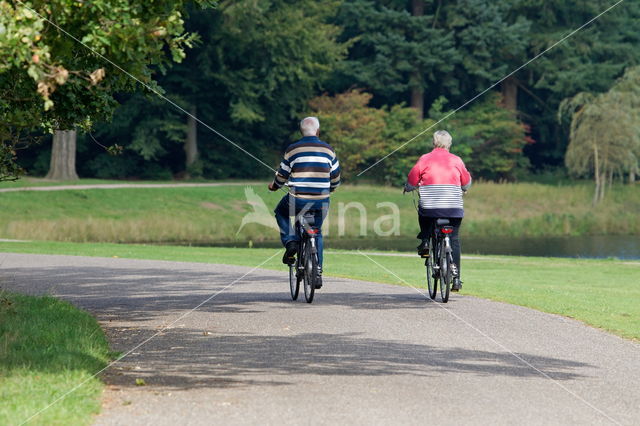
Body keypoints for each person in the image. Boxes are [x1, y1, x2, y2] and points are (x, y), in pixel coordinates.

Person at [268, 116, 340, 288]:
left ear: (301, 131)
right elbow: (336, 178)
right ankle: (318, 272)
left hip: (297, 200)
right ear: (318, 130)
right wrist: (329, 189)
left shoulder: (293, 149)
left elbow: (282, 176)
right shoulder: (329, 150)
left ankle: (290, 241)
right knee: (317, 232)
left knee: (281, 212)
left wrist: (274, 186)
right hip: (321, 201)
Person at [404, 130, 471, 291]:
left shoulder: (425, 159)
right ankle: (456, 279)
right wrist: (463, 187)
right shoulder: (456, 160)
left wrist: (408, 187)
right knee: (454, 238)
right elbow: (466, 182)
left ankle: (426, 241)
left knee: (423, 211)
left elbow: (412, 180)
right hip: (453, 208)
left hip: (431, 208)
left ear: (434, 143)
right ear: (449, 144)